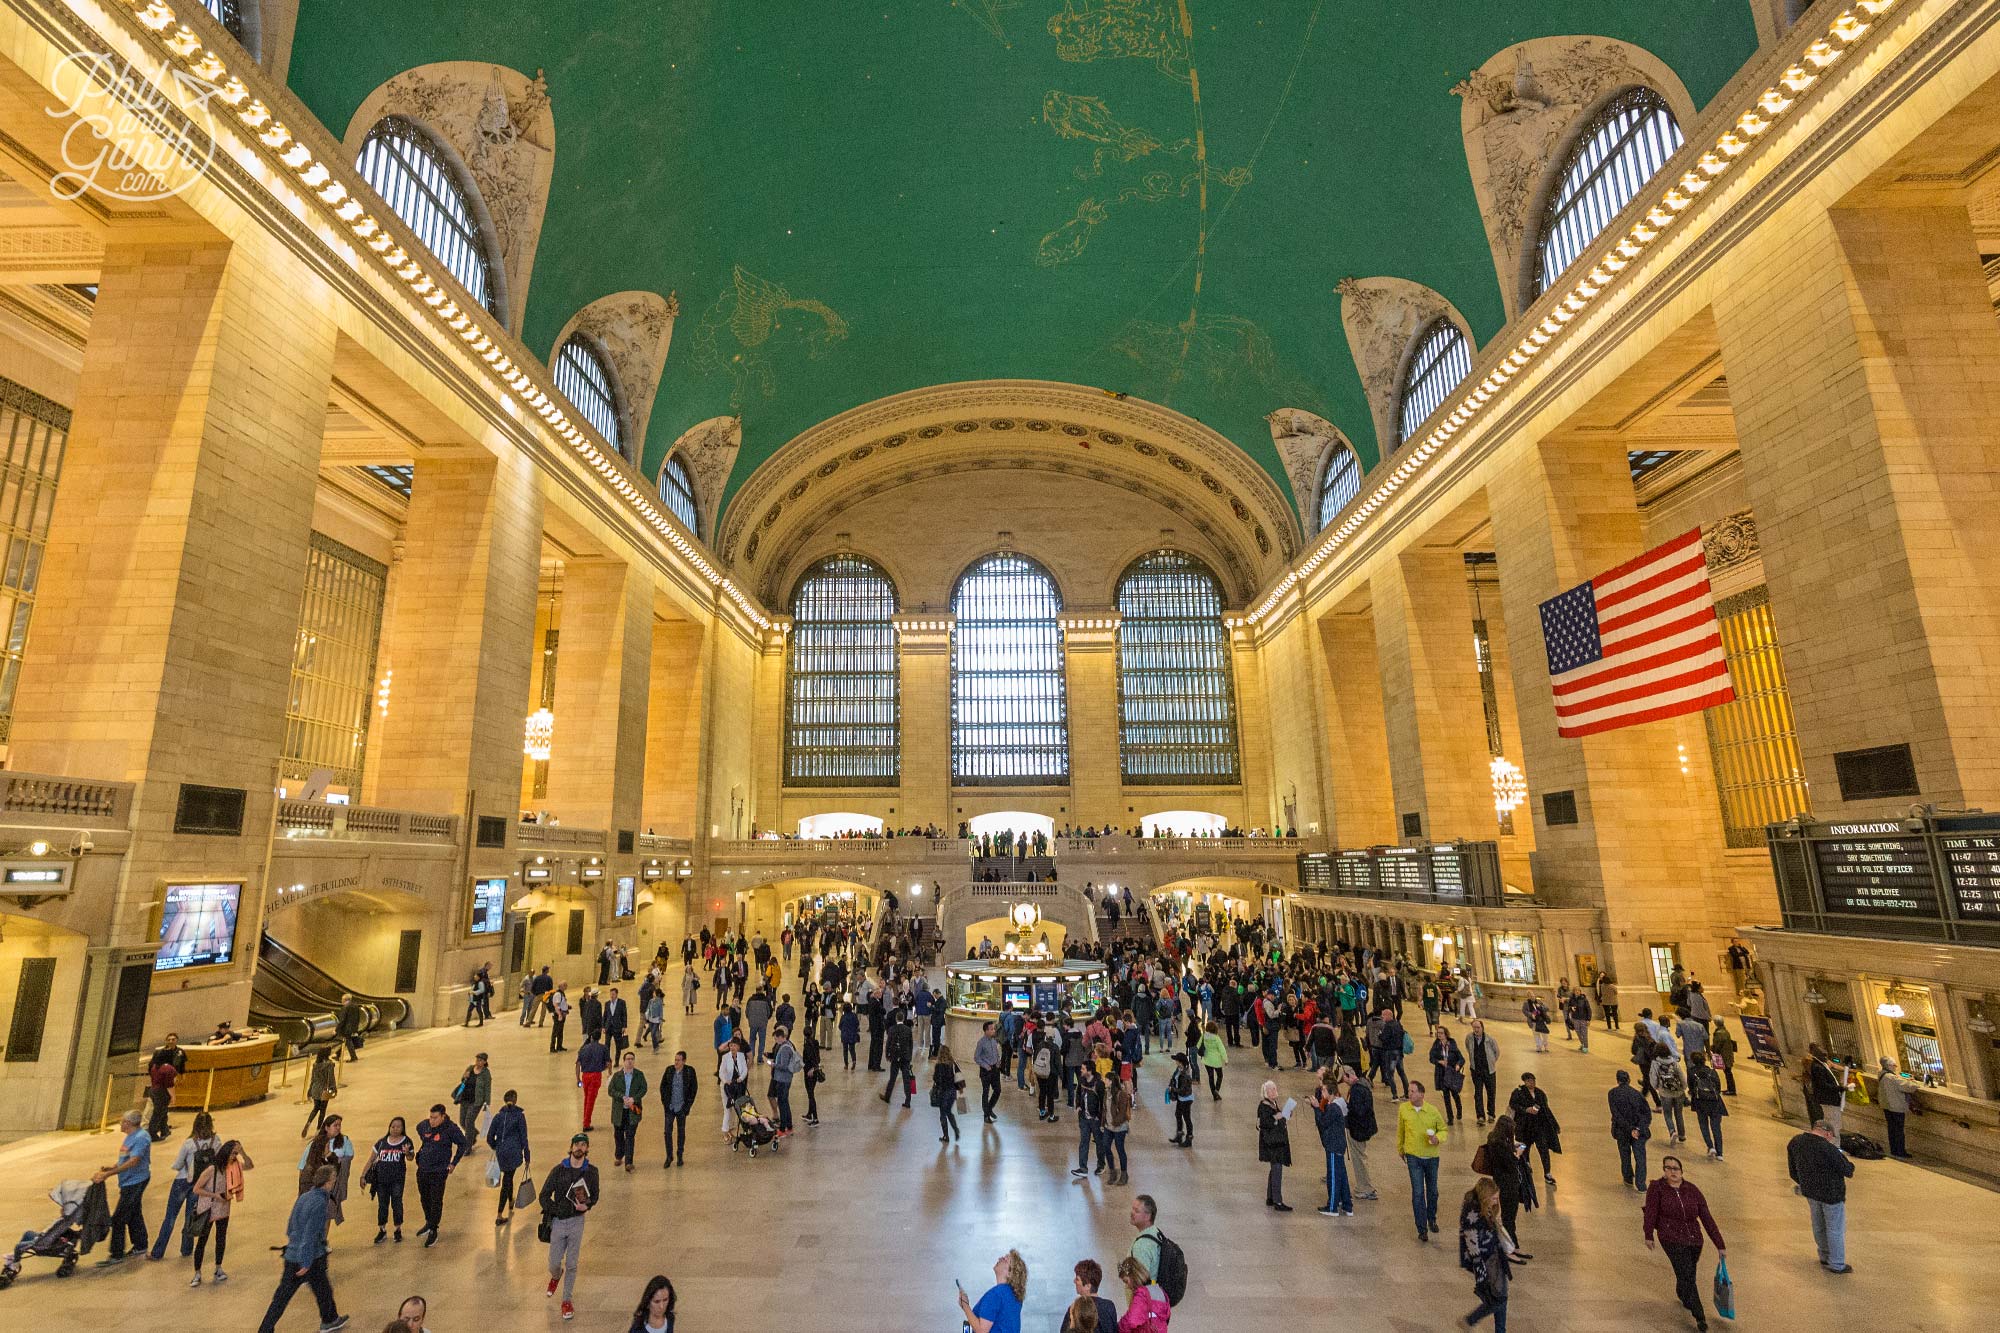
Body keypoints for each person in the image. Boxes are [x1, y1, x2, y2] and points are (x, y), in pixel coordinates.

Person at [255, 1163, 348, 1333]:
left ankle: (266, 1328)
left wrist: (294, 1246)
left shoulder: (304, 1197)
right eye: (333, 1180)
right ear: (327, 1183)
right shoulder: (320, 1202)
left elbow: (291, 1226)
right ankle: (329, 1321)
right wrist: (305, 1262)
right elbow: (310, 1235)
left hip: (292, 1255)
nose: (334, 1183)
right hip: (310, 1258)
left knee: (284, 1296)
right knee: (323, 1290)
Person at [1643, 1155, 1726, 1331]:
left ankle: (1682, 1292)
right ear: (1664, 1171)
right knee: (1687, 1274)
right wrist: (1648, 1234)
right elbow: (1650, 1212)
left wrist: (1720, 1244)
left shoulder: (1692, 1190)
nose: (1672, 1172)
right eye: (1668, 1168)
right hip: (1670, 1237)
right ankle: (1699, 1315)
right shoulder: (1657, 1188)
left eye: (1676, 1168)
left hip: (1694, 1240)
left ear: (1682, 1172)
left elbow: (1706, 1218)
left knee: (1687, 1272)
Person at [539, 1132, 601, 1321]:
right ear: (571, 1147)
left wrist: (587, 1205)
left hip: (577, 1221)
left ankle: (566, 1300)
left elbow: (595, 1196)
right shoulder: (558, 1170)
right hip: (558, 1222)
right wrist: (555, 1209)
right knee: (554, 1262)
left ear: (587, 1149)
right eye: (577, 1144)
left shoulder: (591, 1171)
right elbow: (543, 1195)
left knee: (572, 1263)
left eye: (583, 1145)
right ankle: (556, 1276)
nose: (579, 1148)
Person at [1787, 1119, 1855, 1274]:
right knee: (1834, 1229)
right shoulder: (1827, 1148)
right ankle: (1837, 1263)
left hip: (1810, 1192)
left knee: (1818, 1225)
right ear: (1828, 1133)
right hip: (1831, 1194)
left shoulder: (1796, 1142)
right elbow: (1847, 1170)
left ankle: (1824, 1255)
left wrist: (1804, 1183)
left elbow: (1792, 1169)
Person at [150, 1108, 218, 1261]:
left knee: (170, 1217)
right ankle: (187, 1249)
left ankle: (157, 1251)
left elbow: (178, 1164)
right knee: (190, 1216)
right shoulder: (216, 1141)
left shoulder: (189, 1143)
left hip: (182, 1182)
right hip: (200, 1183)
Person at [188, 1136, 251, 1285]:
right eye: (233, 1154)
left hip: (223, 1208)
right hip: (208, 1208)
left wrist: (243, 1152)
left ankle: (218, 1268)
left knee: (221, 1238)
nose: (235, 1157)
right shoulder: (212, 1169)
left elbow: (249, 1165)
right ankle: (197, 1272)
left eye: (236, 1154)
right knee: (202, 1241)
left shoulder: (234, 1166)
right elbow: (196, 1188)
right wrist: (215, 1195)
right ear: (226, 1153)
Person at [93, 1108, 152, 1265]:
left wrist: (109, 1174)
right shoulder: (130, 1137)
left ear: (129, 1123)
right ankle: (140, 1245)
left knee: (118, 1218)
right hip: (128, 1181)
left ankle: (116, 1253)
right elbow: (125, 1158)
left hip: (135, 1181)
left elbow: (134, 1161)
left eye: (122, 1121)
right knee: (134, 1213)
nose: (120, 1123)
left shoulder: (140, 1138)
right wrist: (111, 1168)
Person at [1459, 1177, 1514, 1333]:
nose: (1496, 1202)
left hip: (1495, 1256)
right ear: (1485, 1196)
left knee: (1501, 1295)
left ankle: (1500, 1330)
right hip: (1488, 1260)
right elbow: (1472, 1242)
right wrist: (1479, 1267)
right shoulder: (1472, 1213)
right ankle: (1471, 1319)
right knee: (1500, 1298)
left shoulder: (1485, 1208)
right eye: (1494, 1198)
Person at [1396, 1080, 1446, 1242]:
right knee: (1418, 1193)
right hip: (1413, 1156)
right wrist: (1401, 1148)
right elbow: (1401, 1130)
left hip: (1431, 1157)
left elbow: (1443, 1130)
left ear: (1422, 1094)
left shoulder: (1432, 1111)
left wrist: (1437, 1138)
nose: (1409, 1094)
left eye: (1413, 1091)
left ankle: (1431, 1217)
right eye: (1409, 1091)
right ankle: (1421, 1227)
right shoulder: (1404, 1109)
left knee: (1433, 1191)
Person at [412, 1104, 467, 1248]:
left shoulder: (451, 1129)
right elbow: (419, 1128)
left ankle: (433, 1229)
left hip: (438, 1171)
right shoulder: (424, 1126)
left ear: (443, 1116)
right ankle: (428, 1222)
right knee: (424, 1198)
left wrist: (453, 1163)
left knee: (436, 1200)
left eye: (435, 1118)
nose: (432, 1120)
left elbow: (463, 1144)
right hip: (423, 1169)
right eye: (430, 1117)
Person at [298, 1115, 354, 1226]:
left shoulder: (344, 1140)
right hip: (316, 1186)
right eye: (335, 1125)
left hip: (332, 1185)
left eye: (339, 1125)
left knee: (327, 1215)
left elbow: (348, 1158)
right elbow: (303, 1165)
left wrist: (332, 1157)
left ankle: (322, 1240)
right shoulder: (315, 1144)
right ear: (326, 1127)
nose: (338, 1128)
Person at [1506, 1073, 1561, 1184]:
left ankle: (1547, 1172)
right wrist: (1526, 1109)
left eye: (1533, 1081)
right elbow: (1513, 1105)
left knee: (1544, 1150)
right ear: (1524, 1082)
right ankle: (1526, 1167)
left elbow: (1546, 1110)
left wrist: (1554, 1125)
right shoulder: (1518, 1093)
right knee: (1524, 1149)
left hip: (1538, 1128)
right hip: (1524, 1127)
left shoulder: (1540, 1094)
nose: (1531, 1083)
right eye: (1529, 1081)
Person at [364, 1117, 411, 1243]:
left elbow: (411, 1157)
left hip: (397, 1180)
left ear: (403, 1128)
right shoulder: (381, 1142)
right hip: (381, 1180)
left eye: (398, 1127)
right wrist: (363, 1176)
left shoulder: (406, 1141)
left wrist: (407, 1153)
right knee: (382, 1205)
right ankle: (382, 1230)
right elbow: (371, 1159)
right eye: (393, 1126)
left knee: (397, 1203)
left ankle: (397, 1229)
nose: (395, 1129)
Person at [486, 1091, 531, 1223]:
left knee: (508, 1176)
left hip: (501, 1152)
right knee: (507, 1180)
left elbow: (489, 1137)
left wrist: (496, 1146)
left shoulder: (498, 1116)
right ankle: (499, 1214)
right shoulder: (519, 1117)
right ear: (515, 1100)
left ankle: (511, 1200)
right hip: (513, 1152)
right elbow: (524, 1138)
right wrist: (527, 1156)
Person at [1311, 1076, 1353, 1216]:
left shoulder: (1334, 1107)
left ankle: (1332, 1207)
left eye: (1323, 1091)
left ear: (1330, 1092)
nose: (1322, 1094)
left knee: (1334, 1176)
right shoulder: (1333, 1106)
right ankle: (1347, 1205)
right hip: (1337, 1144)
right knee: (1342, 1175)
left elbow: (1323, 1123)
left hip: (1334, 1145)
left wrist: (1317, 1108)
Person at [958, 1249, 1027, 1333]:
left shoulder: (996, 1294)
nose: (1000, 1258)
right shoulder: (1015, 1296)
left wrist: (965, 1305)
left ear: (1010, 1273)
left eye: (1005, 1259)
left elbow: (982, 1330)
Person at [1608, 1069, 1654, 1189]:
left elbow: (1616, 1115)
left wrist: (1629, 1129)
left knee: (1625, 1154)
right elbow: (1647, 1114)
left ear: (1617, 1080)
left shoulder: (1612, 1093)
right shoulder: (1637, 1094)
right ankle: (1641, 1184)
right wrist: (1638, 1128)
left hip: (1622, 1130)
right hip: (1638, 1131)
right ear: (1629, 1080)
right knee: (1640, 1157)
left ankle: (1628, 1178)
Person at [1340, 1065, 1379, 1201]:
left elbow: (1359, 1111)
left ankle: (1365, 1188)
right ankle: (1364, 1186)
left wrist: (1347, 1107)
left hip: (1358, 1130)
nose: (1344, 1083)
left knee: (1359, 1159)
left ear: (1348, 1075)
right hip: (1363, 1128)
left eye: (1344, 1079)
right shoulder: (1363, 1085)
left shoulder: (1357, 1090)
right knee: (1361, 1157)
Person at [608, 1050, 648, 1171]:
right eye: (628, 1059)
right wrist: (621, 1097)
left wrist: (634, 1099)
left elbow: (644, 1088)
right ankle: (619, 1155)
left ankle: (629, 1162)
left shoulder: (639, 1075)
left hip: (633, 1111)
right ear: (623, 1061)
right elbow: (611, 1090)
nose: (630, 1061)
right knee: (618, 1135)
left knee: (630, 1135)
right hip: (619, 1111)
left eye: (632, 1059)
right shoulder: (617, 1076)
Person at [1256, 1079, 1293, 1210]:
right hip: (1273, 1143)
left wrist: (1284, 1115)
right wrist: (1275, 1118)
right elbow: (1264, 1123)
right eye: (1272, 1089)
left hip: (1275, 1142)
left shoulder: (1273, 1103)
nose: (1275, 1091)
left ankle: (1271, 1196)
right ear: (1266, 1092)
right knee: (1277, 1169)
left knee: (1275, 1169)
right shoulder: (1264, 1106)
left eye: (1275, 1088)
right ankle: (1277, 1201)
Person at [660, 1050, 699, 1167]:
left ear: (684, 1061)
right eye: (675, 1060)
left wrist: (687, 1106)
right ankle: (669, 1156)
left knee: (681, 1132)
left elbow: (693, 1089)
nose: (676, 1062)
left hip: (681, 1107)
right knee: (667, 1132)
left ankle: (680, 1155)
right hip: (670, 1107)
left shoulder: (689, 1072)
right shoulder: (669, 1070)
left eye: (678, 1060)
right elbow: (662, 1087)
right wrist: (665, 1103)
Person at [1688, 1055, 1728, 1161]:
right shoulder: (1712, 1072)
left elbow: (1691, 1088)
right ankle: (1720, 1153)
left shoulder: (1692, 1072)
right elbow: (1718, 1087)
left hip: (1700, 1102)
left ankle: (1710, 1147)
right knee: (1716, 1128)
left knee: (1703, 1125)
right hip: (1715, 1103)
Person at [1114, 1256, 1169, 1332]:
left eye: (1126, 1281)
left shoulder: (1142, 1294)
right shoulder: (1158, 1289)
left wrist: (1118, 1328)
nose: (1127, 1286)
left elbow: (1131, 1321)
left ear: (1134, 1276)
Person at [1061, 1260, 1117, 1333]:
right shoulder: (1109, 1306)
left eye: (1077, 1279)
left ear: (1088, 1286)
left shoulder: (1075, 1309)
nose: (1074, 1281)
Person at [1804, 1045, 1847, 1138]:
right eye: (1824, 1055)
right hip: (1828, 1100)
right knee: (1833, 1125)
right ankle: (1833, 1147)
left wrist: (1849, 1070)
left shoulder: (1821, 1064)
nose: (1826, 1058)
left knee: (1834, 1124)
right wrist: (1841, 1088)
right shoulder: (1817, 1066)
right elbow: (1823, 1085)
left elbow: (1834, 1065)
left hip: (1829, 1100)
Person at [146, 1034, 183, 1140]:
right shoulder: (168, 1069)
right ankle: (152, 1134)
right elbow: (170, 1085)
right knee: (158, 1113)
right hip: (162, 1092)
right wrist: (173, 1097)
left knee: (162, 1111)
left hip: (153, 1091)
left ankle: (164, 1130)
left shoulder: (154, 1067)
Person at [1652, 1044, 1690, 1145]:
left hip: (1665, 1093)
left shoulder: (1655, 1063)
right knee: (1679, 1113)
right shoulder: (1674, 1062)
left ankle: (1672, 1131)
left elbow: (1653, 1078)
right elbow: (1682, 1076)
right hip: (1678, 1092)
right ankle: (1682, 1135)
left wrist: (1657, 1087)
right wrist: (1684, 1087)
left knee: (1668, 1114)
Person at [1875, 1057, 1913, 1159]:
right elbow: (1909, 1087)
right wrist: (1913, 1082)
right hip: (1896, 1107)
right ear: (1889, 1066)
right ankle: (1900, 1151)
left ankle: (1894, 1149)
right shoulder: (1891, 1078)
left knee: (1892, 1129)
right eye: (1894, 1065)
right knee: (1899, 1130)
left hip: (1887, 1106)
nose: (1896, 1067)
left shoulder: (1881, 1074)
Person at [1429, 1024, 1466, 1125]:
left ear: (1446, 1034)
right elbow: (1431, 1058)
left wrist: (1458, 1065)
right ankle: (1450, 1117)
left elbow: (1462, 1059)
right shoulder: (1436, 1045)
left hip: (1452, 1073)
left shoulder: (1452, 1045)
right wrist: (1439, 1062)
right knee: (1446, 1096)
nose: (1439, 1035)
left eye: (1441, 1033)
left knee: (1455, 1094)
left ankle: (1459, 1110)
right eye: (1438, 1033)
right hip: (1442, 1074)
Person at [452, 1052, 491, 1146]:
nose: (478, 1062)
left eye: (480, 1060)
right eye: (477, 1059)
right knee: (462, 1122)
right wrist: (464, 1076)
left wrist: (486, 1103)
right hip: (465, 1099)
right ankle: (473, 1133)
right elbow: (463, 1080)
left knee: (469, 1122)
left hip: (476, 1102)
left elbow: (487, 1089)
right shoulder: (470, 1068)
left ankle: (468, 1145)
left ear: (485, 1062)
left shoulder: (486, 1074)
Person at [1466, 1019, 1499, 1127]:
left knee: (1491, 1093)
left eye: (1478, 1027)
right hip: (1476, 1071)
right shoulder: (1469, 1038)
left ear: (1482, 1028)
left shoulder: (1490, 1040)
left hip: (1489, 1071)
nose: (1476, 1030)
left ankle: (1491, 1114)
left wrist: (1492, 1061)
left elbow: (1496, 1052)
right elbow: (1468, 1048)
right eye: (1474, 1027)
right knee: (1478, 1093)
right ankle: (1480, 1116)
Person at [576, 1030, 610, 1130]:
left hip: (585, 1076)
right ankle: (586, 1123)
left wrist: (578, 1079)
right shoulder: (603, 1048)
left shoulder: (583, 1049)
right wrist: (608, 1072)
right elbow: (608, 1063)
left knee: (587, 1098)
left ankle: (585, 1119)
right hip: (596, 1076)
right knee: (591, 1099)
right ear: (599, 1038)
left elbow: (578, 1064)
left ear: (591, 1038)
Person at [933, 1044, 965, 1144]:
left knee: (943, 1114)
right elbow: (959, 1077)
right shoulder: (953, 1064)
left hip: (942, 1092)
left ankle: (946, 1135)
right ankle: (956, 1129)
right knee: (948, 1112)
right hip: (952, 1092)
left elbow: (936, 1079)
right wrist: (960, 1089)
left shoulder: (938, 1065)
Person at [1129, 1195, 1163, 1284]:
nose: (1132, 1213)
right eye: (1132, 1208)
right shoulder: (1156, 1232)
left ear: (1147, 1216)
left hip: (1144, 1296)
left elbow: (1139, 1281)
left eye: (1137, 1211)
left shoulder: (1142, 1246)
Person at [974, 1021, 1003, 1123]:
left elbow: (996, 1053)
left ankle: (989, 1108)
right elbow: (976, 1058)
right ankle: (986, 1115)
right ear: (986, 1031)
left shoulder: (994, 1041)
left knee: (998, 1090)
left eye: (994, 1029)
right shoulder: (981, 1043)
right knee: (985, 1092)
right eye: (991, 1029)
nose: (993, 1031)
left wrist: (998, 1061)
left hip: (995, 1069)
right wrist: (986, 1066)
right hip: (986, 1071)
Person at [304, 1049, 338, 1137]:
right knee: (322, 1110)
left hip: (315, 1088)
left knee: (315, 1108)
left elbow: (313, 1079)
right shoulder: (329, 1065)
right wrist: (333, 1088)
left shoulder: (315, 1065)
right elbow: (331, 1078)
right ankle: (318, 1129)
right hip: (324, 1089)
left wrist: (309, 1090)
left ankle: (308, 1123)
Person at [1199, 1020, 1227, 1100]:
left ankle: (1214, 1093)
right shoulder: (1216, 1038)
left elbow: (1198, 1045)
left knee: (1211, 1077)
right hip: (1216, 1061)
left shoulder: (1204, 1036)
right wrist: (1225, 1059)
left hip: (1207, 1060)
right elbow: (1222, 1049)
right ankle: (1217, 1090)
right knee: (1220, 1075)